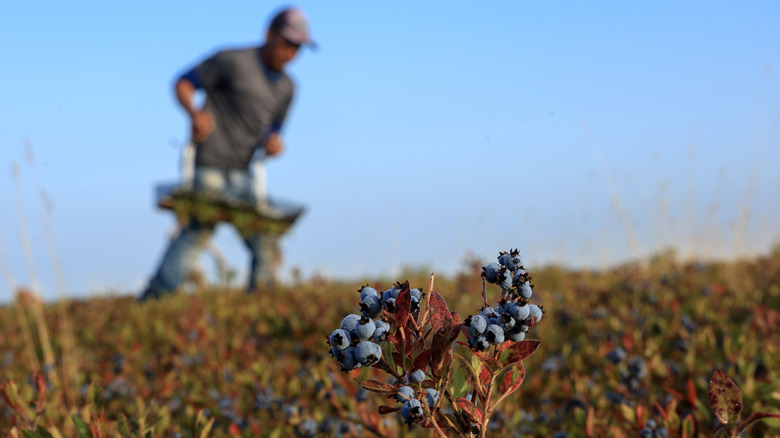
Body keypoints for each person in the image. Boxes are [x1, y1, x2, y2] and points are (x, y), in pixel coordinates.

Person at [139, 7, 315, 300]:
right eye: (287, 43)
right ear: (269, 34)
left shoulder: (287, 88)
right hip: (209, 163)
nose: (291, 53)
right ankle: (156, 298)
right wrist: (195, 114)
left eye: (298, 47)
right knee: (198, 230)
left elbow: (273, 132)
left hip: (244, 171)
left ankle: (261, 302)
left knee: (263, 234)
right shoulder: (233, 61)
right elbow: (183, 83)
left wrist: (273, 144)